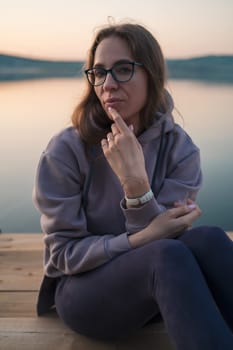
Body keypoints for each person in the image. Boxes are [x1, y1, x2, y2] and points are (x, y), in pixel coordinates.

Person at [33, 22, 233, 349]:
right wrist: (143, 230)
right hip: (85, 295)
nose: (108, 84)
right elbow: (64, 255)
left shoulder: (180, 149)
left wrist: (137, 185)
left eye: (123, 69)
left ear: (151, 74)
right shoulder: (66, 150)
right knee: (165, 254)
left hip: (159, 288)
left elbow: (172, 237)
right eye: (99, 72)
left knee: (209, 237)